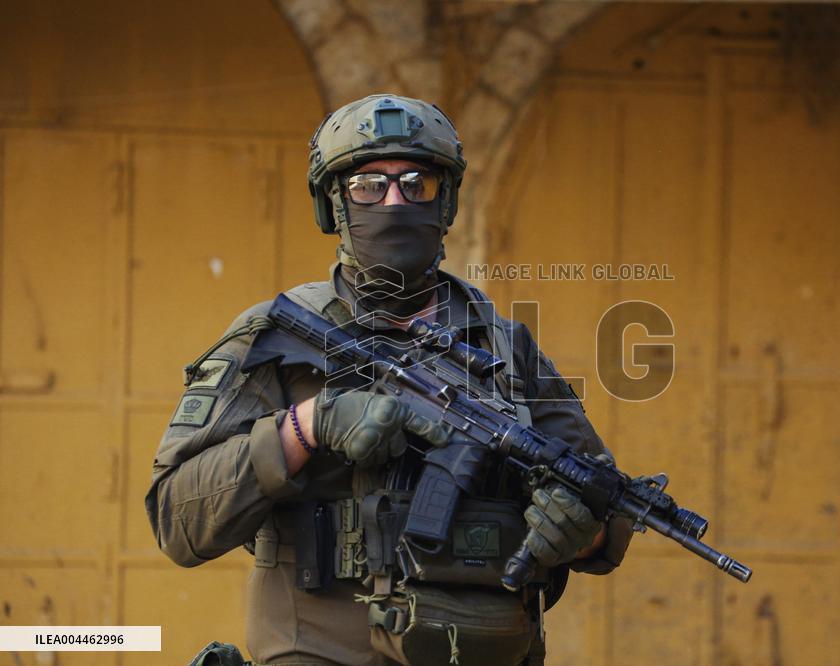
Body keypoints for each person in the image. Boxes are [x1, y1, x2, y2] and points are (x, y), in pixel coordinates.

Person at [147, 94, 631, 666]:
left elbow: (606, 505)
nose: (394, 202)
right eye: (368, 185)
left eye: (416, 184)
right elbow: (178, 521)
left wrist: (585, 530)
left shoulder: (505, 345)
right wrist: (308, 426)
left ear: (445, 201)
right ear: (334, 205)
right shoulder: (276, 337)